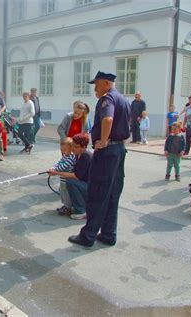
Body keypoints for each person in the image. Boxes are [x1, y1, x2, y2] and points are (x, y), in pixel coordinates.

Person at [68, 71, 130, 247]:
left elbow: (108, 119)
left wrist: (102, 141)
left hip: (107, 152)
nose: (95, 87)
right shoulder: (123, 99)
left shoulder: (107, 99)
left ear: (105, 83)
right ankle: (109, 234)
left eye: (96, 84)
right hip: (119, 150)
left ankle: (87, 236)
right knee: (112, 195)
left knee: (97, 194)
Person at [48, 137, 76, 217]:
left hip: (67, 180)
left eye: (64, 149)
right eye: (61, 149)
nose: (62, 151)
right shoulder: (65, 156)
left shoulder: (71, 158)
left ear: (71, 148)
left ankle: (68, 208)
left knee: (67, 195)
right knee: (62, 194)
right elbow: (59, 163)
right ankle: (65, 206)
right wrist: (53, 167)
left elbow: (64, 166)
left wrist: (55, 170)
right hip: (62, 180)